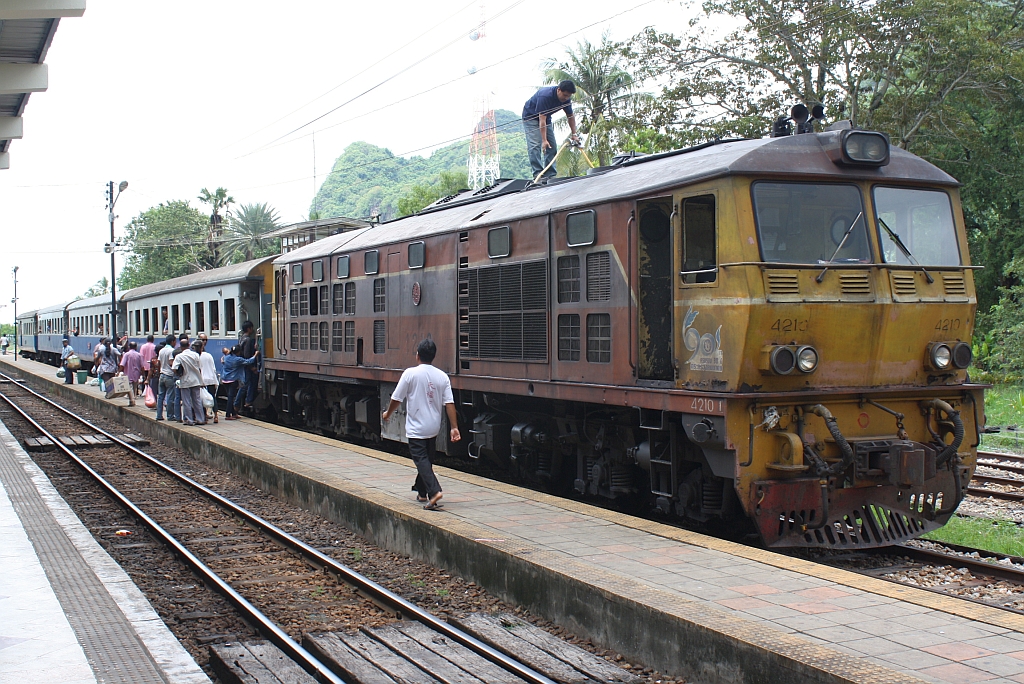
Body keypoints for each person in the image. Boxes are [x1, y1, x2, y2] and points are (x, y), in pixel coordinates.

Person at [381, 338, 461, 510]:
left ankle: (435, 492)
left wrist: (388, 413)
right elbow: (449, 404)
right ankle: (422, 492)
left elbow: (397, 398)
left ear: (417, 356)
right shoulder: (442, 376)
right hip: (433, 427)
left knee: (421, 460)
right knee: (427, 459)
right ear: (434, 357)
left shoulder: (410, 374)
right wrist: (454, 427)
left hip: (416, 428)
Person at [522, 79, 579, 181]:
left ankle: (550, 174)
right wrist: (544, 140)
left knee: (551, 145)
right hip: (530, 117)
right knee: (535, 145)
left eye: (568, 96)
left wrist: (574, 134)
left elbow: (570, 116)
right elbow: (541, 119)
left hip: (546, 119)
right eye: (565, 95)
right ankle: (538, 174)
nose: (566, 98)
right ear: (558, 90)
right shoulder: (545, 96)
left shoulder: (567, 100)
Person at [221, 345, 260, 421]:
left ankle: (234, 413)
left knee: (230, 397)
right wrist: (255, 355)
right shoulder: (237, 359)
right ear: (238, 352)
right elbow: (249, 361)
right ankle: (228, 414)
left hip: (225, 379)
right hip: (232, 380)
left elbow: (223, 358)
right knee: (231, 397)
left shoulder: (226, 357)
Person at [172, 340, 206, 426]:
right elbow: (199, 367)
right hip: (196, 380)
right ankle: (200, 419)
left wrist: (179, 373)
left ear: (181, 346)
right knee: (197, 400)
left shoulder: (179, 356)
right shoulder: (196, 355)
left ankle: (189, 420)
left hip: (185, 380)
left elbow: (174, 368)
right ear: (189, 345)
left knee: (186, 401)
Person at [234, 321, 259, 414]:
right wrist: (252, 367)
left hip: (243, 365)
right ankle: (242, 402)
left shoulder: (241, 338)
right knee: (246, 385)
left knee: (245, 385)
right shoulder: (248, 340)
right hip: (247, 366)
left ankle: (244, 402)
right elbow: (247, 355)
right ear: (249, 329)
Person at [197, 333, 219, 423]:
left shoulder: (197, 356)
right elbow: (213, 368)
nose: (204, 342)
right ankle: (216, 416)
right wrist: (215, 380)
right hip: (210, 379)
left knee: (202, 398)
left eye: (205, 340)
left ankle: (205, 417)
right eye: (203, 340)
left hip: (202, 380)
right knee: (212, 397)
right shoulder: (209, 355)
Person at [156, 334, 178, 421]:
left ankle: (159, 415)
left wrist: (159, 372)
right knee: (170, 397)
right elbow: (171, 363)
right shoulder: (171, 351)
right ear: (172, 341)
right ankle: (170, 416)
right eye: (175, 341)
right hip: (169, 376)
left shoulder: (161, 350)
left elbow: (158, 363)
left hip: (162, 375)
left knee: (161, 397)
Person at [95, 337, 123, 401]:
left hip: (104, 368)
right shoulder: (113, 349)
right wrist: (120, 362)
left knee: (106, 382)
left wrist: (96, 362)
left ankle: (108, 393)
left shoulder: (101, 349)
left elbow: (97, 357)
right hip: (112, 367)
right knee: (111, 381)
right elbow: (119, 354)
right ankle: (111, 393)